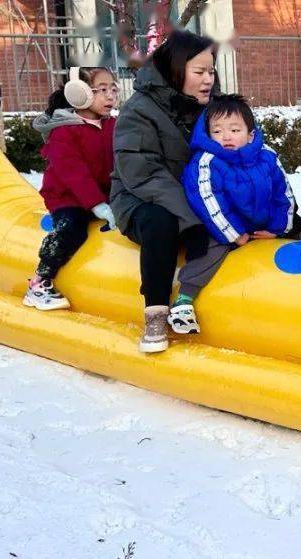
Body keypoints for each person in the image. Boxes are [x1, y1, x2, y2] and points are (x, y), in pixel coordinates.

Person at [110, 29, 217, 353]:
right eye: (199, 72)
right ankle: (156, 311)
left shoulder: (209, 109)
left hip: (192, 198)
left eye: (211, 71)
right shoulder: (139, 110)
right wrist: (195, 220)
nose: (208, 80)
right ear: (175, 70)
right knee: (161, 222)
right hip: (139, 196)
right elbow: (144, 173)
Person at [177, 93, 300, 333]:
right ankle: (185, 296)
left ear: (250, 134)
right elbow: (207, 200)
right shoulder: (207, 161)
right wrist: (234, 234)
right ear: (208, 134)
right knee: (209, 248)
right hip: (221, 227)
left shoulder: (267, 157)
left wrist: (277, 229)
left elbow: (283, 194)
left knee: (294, 246)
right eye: (218, 131)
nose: (226, 137)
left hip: (261, 225)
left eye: (234, 130)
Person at [22, 67, 118, 310]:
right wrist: (96, 204)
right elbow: (73, 173)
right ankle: (40, 281)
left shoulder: (113, 125)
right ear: (79, 93)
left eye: (113, 89)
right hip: (69, 197)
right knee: (73, 230)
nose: (110, 96)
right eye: (102, 90)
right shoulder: (64, 131)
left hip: (105, 195)